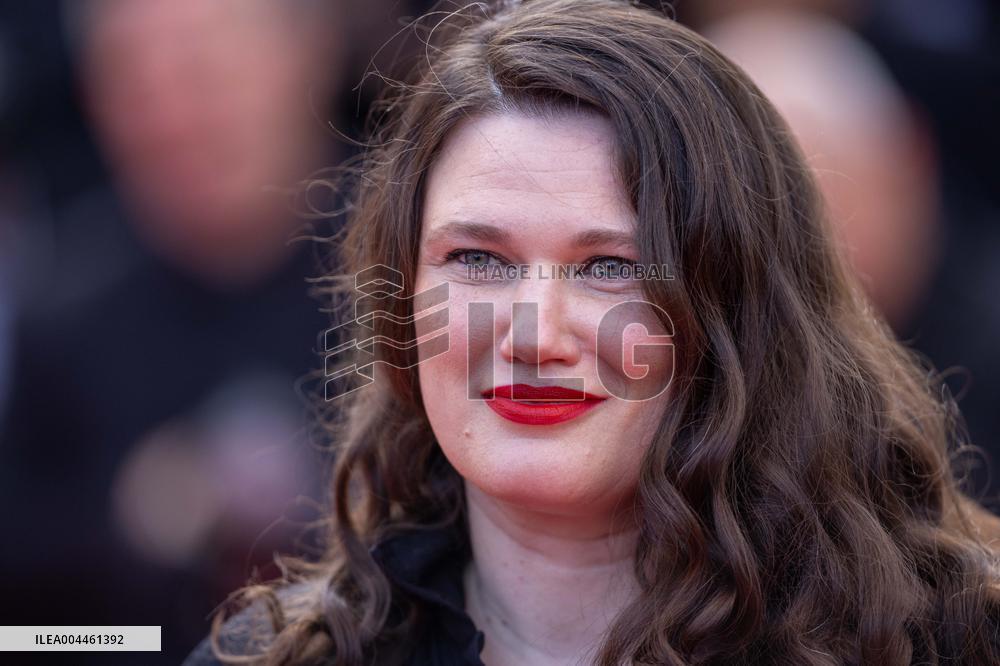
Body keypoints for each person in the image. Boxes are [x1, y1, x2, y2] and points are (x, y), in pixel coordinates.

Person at [184, 0, 1000, 664]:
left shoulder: (951, 643)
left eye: (612, 267)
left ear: (739, 308)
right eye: (478, 257)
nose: (535, 334)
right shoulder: (281, 657)